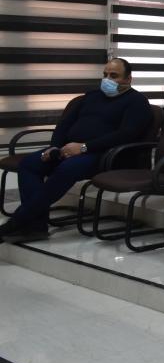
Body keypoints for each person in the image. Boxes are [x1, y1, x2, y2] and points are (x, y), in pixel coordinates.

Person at [0, 58, 153, 242]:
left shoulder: (137, 102)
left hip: (104, 155)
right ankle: (35, 226)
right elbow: (64, 124)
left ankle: (16, 222)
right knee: (30, 164)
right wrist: (55, 146)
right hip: (70, 149)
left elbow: (125, 135)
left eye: (114, 76)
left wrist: (84, 147)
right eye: (105, 75)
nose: (107, 79)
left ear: (128, 79)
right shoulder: (91, 96)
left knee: (66, 169)